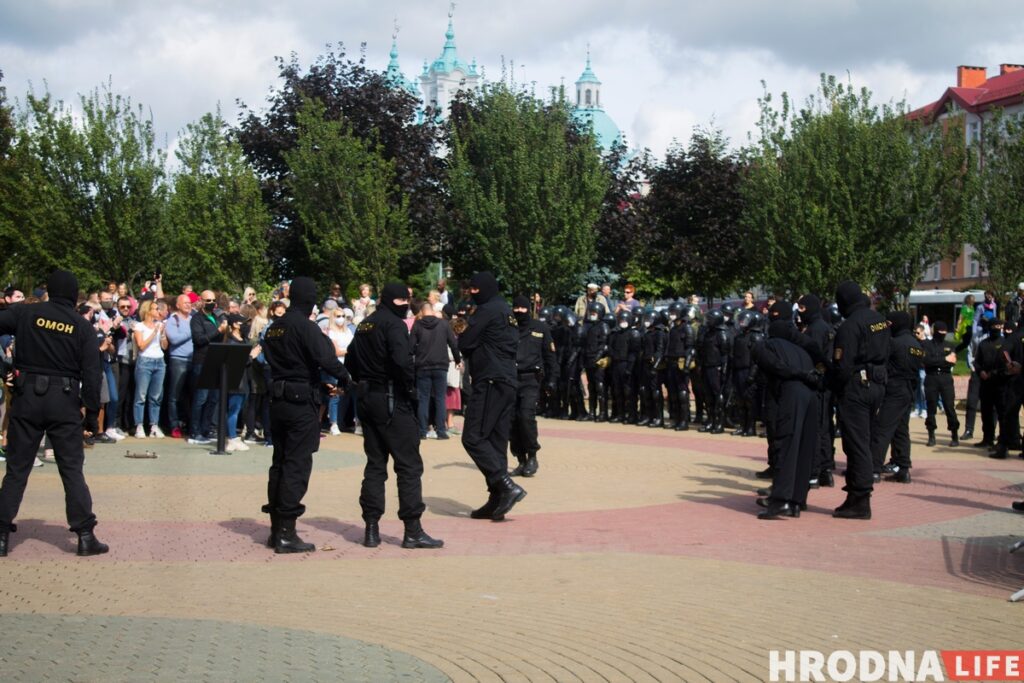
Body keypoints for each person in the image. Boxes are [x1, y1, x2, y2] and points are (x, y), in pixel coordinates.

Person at [0, 270, 108, 557]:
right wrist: (91, 417)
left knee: (17, 469)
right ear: (74, 295)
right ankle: (85, 536)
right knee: (71, 470)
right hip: (64, 402)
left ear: (49, 290)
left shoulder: (26, 313)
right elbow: (93, 375)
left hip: (27, 398)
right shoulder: (81, 326)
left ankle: (0, 535)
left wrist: (4, 369)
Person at [346, 283, 442, 549]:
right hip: (392, 400)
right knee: (409, 466)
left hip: (368, 400)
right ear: (391, 300)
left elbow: (351, 362)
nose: (406, 304)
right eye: (403, 299)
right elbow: (401, 363)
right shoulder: (395, 325)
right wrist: (410, 391)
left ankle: (371, 529)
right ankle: (413, 530)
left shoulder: (365, 325)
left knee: (375, 465)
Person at [261, 277, 350, 553]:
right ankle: (287, 532)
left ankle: (276, 529)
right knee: (297, 464)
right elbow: (326, 357)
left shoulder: (274, 327)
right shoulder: (306, 327)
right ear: (310, 299)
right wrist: (345, 377)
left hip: (279, 398)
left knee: (280, 461)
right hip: (301, 403)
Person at [458, 272, 526, 521]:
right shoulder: (505, 310)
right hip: (507, 381)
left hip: (490, 381)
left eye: (475, 289)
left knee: (473, 437)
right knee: (496, 441)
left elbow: (464, 343)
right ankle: (497, 498)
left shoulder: (487, 310)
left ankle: (506, 486)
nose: (473, 293)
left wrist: (465, 334)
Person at [830, 282, 890, 520]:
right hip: (877, 382)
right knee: (863, 438)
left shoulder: (850, 326)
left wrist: (832, 386)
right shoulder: (879, 320)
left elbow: (842, 366)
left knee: (857, 443)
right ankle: (854, 495)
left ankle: (861, 498)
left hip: (856, 386)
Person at [753, 319, 820, 519]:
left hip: (791, 393)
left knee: (786, 446)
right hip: (812, 396)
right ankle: (796, 502)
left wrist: (798, 374)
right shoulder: (802, 350)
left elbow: (774, 366)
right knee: (804, 449)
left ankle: (780, 501)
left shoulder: (766, 345)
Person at [871, 312, 924, 483]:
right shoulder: (916, 345)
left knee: (882, 428)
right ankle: (903, 468)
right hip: (909, 390)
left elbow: (882, 363)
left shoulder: (894, 343)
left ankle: (874, 469)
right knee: (901, 430)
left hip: (894, 389)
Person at [509, 295, 556, 477]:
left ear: (528, 309)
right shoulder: (509, 328)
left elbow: (550, 357)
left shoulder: (540, 328)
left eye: (522, 308)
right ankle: (520, 458)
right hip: (512, 379)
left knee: (526, 418)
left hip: (531, 380)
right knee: (511, 421)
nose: (519, 311)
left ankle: (532, 455)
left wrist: (552, 379)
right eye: (516, 308)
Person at [411, 302, 461, 439]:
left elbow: (410, 347)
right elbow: (453, 344)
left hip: (422, 366)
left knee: (423, 399)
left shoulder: (418, 325)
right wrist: (458, 360)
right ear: (432, 311)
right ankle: (441, 431)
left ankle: (422, 431)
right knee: (440, 399)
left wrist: (417, 352)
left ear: (422, 312)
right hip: (440, 365)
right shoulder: (444, 324)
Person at [189, 290, 227, 444]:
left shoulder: (217, 317)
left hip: (216, 361)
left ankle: (206, 429)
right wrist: (218, 331)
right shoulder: (196, 319)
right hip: (202, 361)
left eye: (213, 300)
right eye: (208, 300)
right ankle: (194, 431)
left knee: (213, 398)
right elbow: (199, 339)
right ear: (201, 301)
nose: (211, 303)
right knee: (201, 398)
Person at [132, 299, 168, 439]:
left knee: (156, 396)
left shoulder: (159, 325)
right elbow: (141, 345)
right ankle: (139, 425)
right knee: (141, 396)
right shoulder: (139, 326)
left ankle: (154, 425)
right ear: (147, 311)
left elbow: (164, 346)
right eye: (154, 309)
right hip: (145, 361)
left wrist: (163, 334)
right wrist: (154, 333)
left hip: (159, 361)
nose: (157, 311)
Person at [922, 321, 960, 447]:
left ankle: (954, 434)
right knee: (931, 407)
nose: (942, 334)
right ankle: (931, 435)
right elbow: (926, 361)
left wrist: (938, 361)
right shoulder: (926, 344)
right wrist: (944, 359)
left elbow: (952, 361)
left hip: (946, 378)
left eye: (944, 332)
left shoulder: (950, 345)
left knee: (949, 407)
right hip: (931, 377)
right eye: (940, 332)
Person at [164, 294, 194, 438]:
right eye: (185, 303)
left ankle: (191, 424)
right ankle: (174, 425)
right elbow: (174, 339)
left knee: (191, 396)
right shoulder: (173, 320)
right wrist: (191, 331)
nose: (188, 305)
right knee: (174, 395)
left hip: (193, 360)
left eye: (190, 303)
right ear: (178, 305)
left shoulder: (193, 319)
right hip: (178, 360)